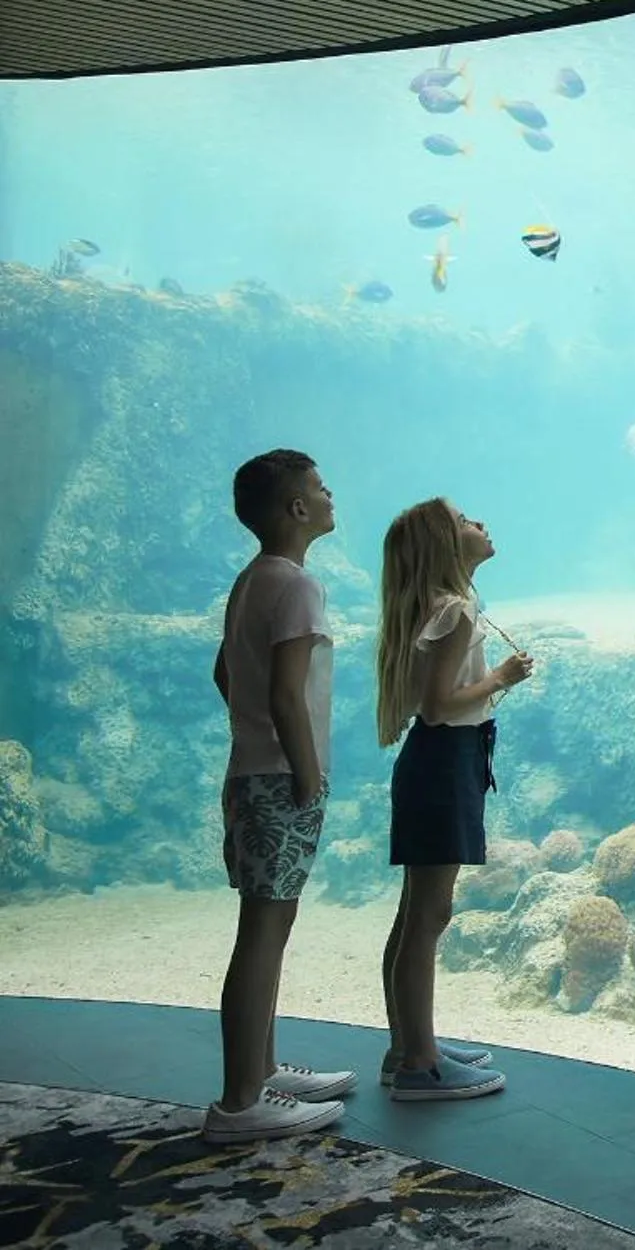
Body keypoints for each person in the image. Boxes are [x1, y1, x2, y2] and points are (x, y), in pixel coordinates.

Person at [204, 450, 356, 1143]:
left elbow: (225, 672)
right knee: (262, 935)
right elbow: (287, 693)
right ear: (297, 508)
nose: (330, 497)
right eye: (321, 488)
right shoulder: (298, 585)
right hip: (280, 779)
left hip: (249, 772)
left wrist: (255, 737)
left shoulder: (251, 579)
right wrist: (304, 770)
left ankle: (261, 1069)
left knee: (269, 926)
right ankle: (240, 1103)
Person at [376, 499, 532, 1101]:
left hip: (439, 765)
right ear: (446, 543)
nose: (482, 523)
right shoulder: (457, 611)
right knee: (429, 917)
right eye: (468, 521)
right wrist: (502, 679)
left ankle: (409, 1046)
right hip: (444, 766)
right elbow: (440, 707)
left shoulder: (440, 607)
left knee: (414, 915)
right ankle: (421, 1064)